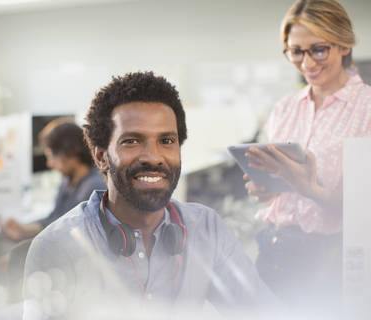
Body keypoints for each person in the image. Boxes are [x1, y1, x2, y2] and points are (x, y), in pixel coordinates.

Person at [23, 72, 287, 320]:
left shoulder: (206, 229)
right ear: (101, 156)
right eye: (132, 141)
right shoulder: (57, 247)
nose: (153, 157)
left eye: (167, 141)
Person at [243, 0, 371, 318]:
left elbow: (364, 208)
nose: (306, 62)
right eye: (295, 51)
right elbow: (278, 187)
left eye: (318, 50)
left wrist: (311, 189)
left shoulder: (366, 109)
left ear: (343, 44)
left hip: (329, 262)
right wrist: (267, 189)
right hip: (272, 248)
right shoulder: (284, 107)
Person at [1, 121, 106, 241]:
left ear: (73, 150)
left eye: (53, 155)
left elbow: (67, 233)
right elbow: (54, 220)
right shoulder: (67, 180)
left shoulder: (94, 186)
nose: (49, 163)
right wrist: (22, 228)